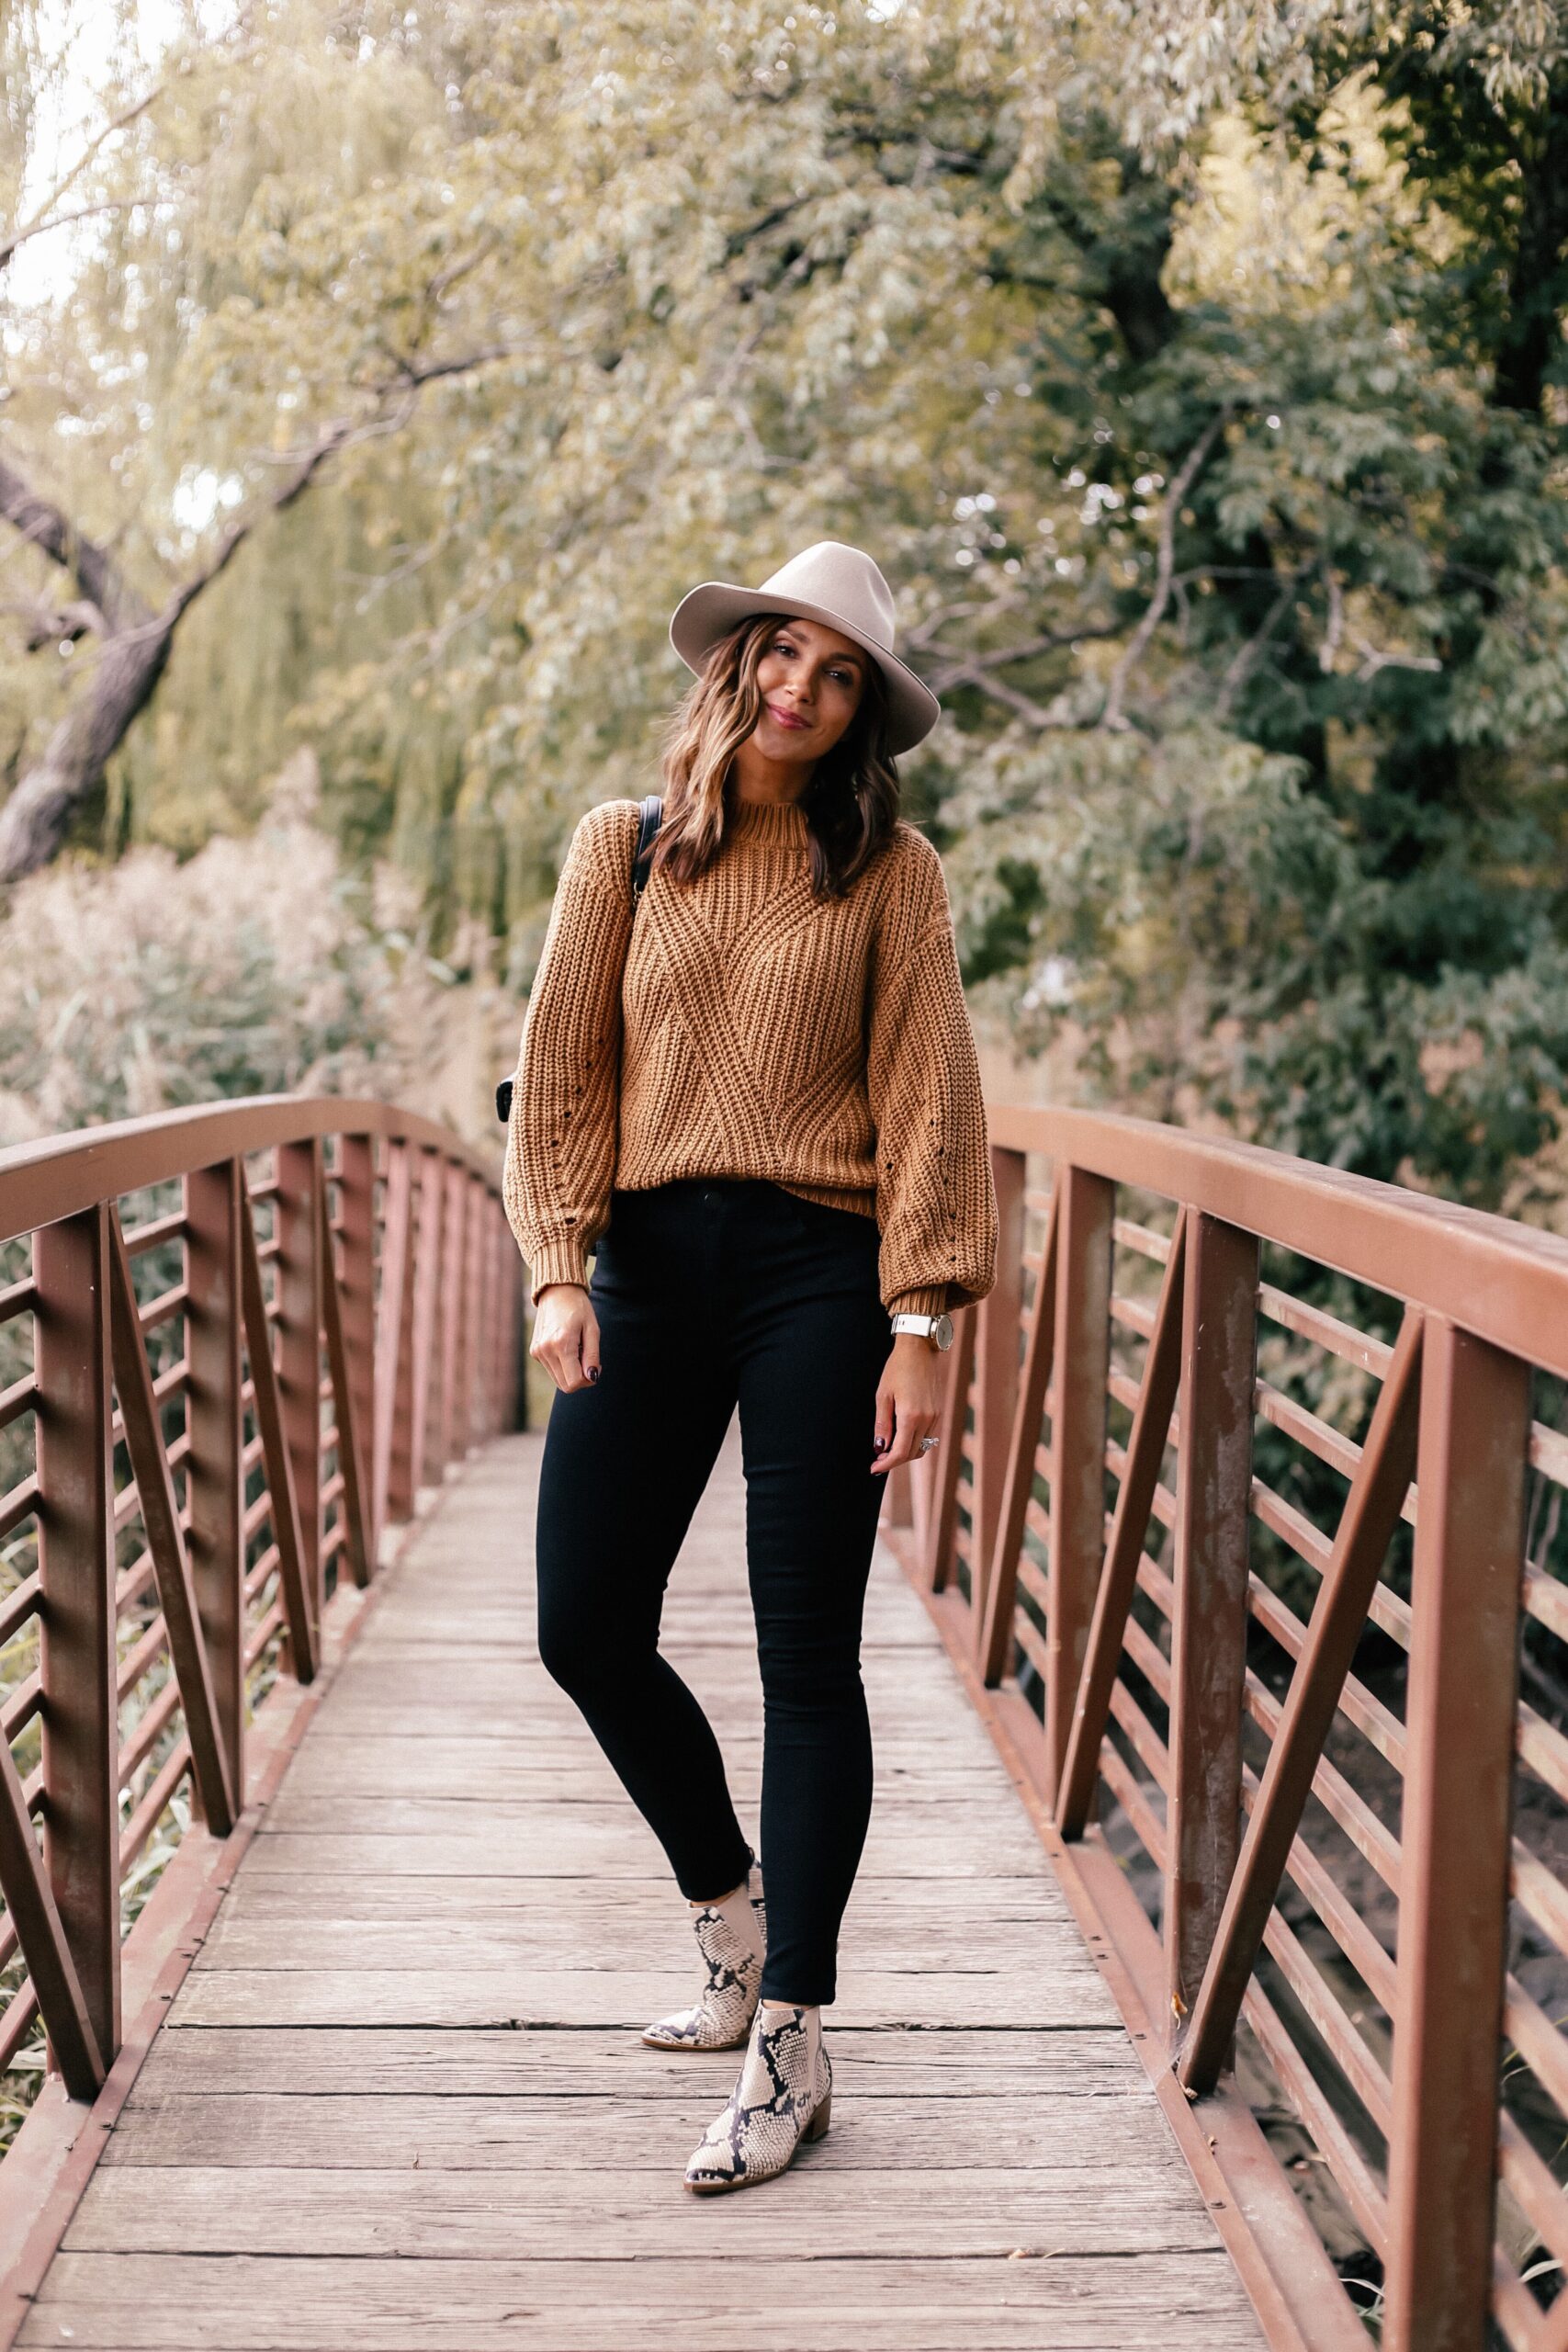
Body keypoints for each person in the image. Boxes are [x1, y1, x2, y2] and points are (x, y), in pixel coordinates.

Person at [502, 539, 998, 2194]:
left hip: (817, 1280)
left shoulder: (892, 871)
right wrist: (559, 1267)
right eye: (785, 652)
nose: (802, 686)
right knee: (585, 1624)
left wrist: (921, 1321)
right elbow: (562, 1067)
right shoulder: (623, 851)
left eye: (839, 672)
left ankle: (791, 2041)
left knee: (808, 1661)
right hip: (642, 1269)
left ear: (860, 712)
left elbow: (932, 1096)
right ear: (737, 666)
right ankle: (728, 1914)